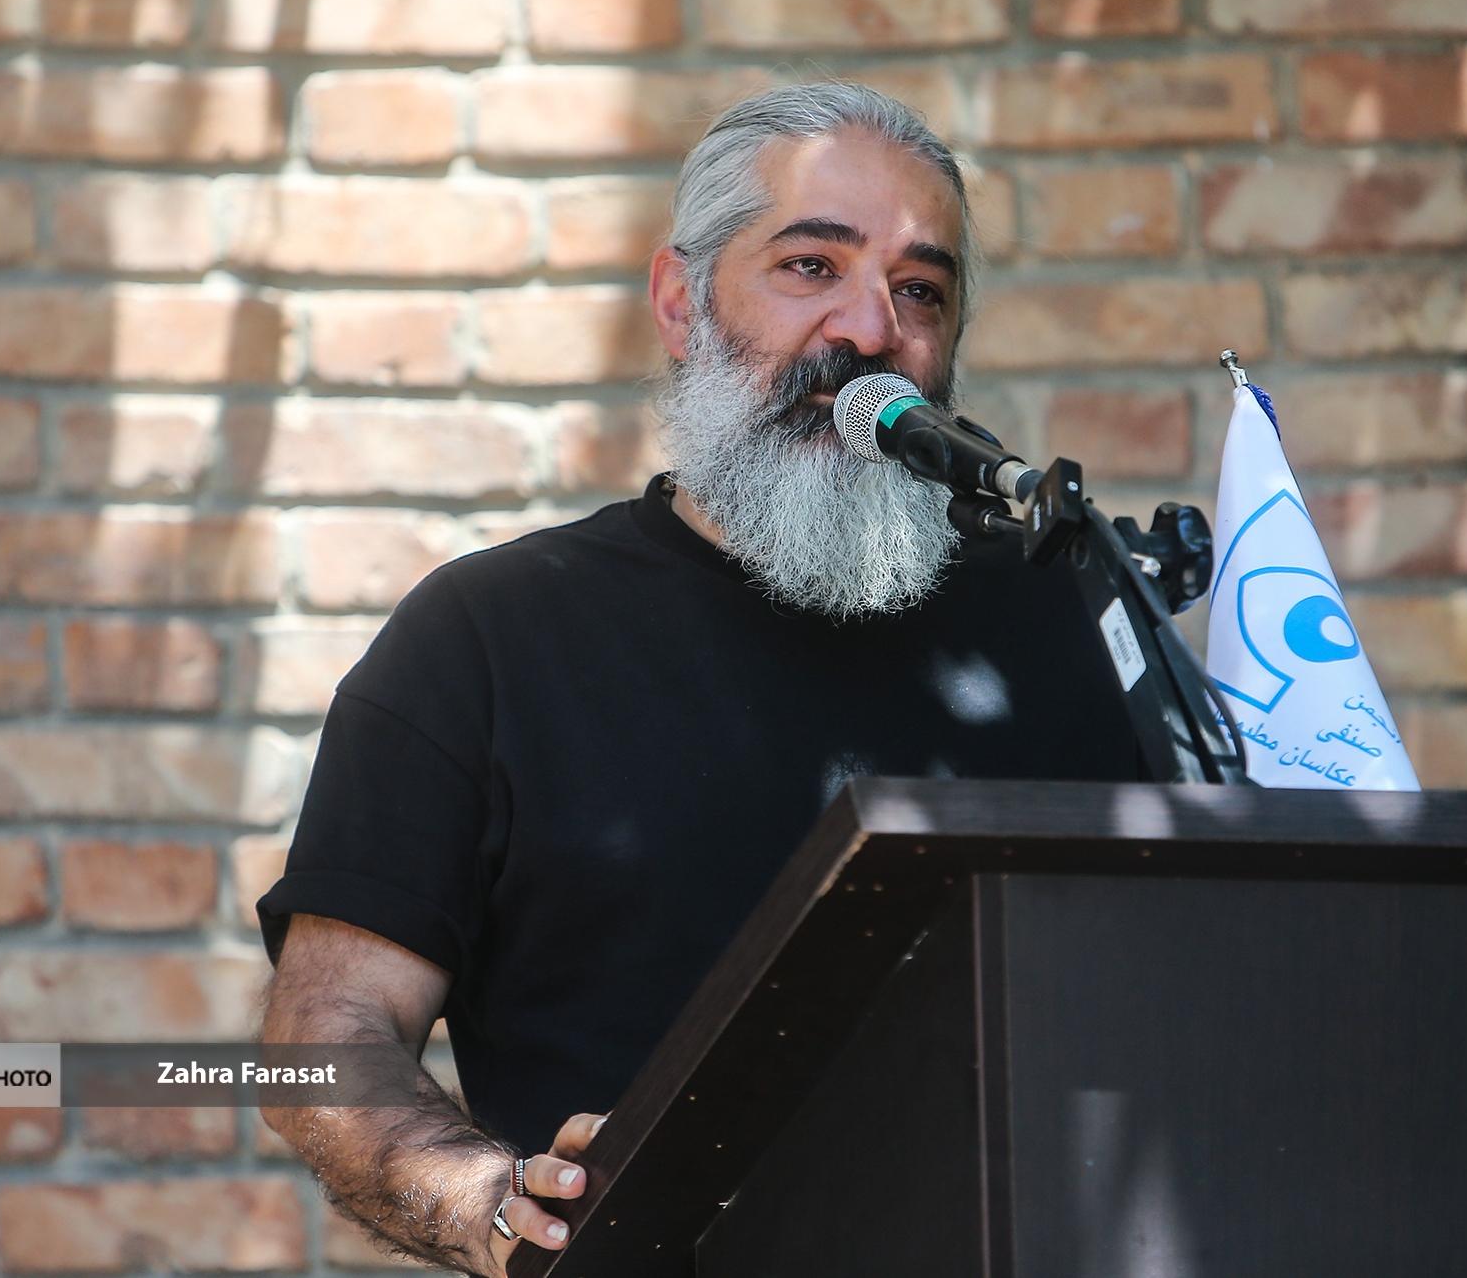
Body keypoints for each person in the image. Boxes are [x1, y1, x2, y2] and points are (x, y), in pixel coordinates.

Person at [256, 82, 1143, 1277]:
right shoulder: (486, 637)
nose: (868, 329)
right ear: (680, 305)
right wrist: (485, 1198)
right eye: (809, 266)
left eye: (919, 290)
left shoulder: (1068, 619)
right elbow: (323, 1036)